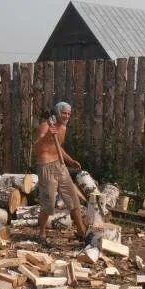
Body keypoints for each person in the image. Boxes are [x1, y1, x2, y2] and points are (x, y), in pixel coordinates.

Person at [32, 101, 87, 244]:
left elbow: (58, 147)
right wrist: (46, 136)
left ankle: (81, 232)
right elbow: (36, 150)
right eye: (64, 113)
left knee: (73, 198)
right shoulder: (45, 126)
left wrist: (70, 160)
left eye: (69, 113)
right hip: (46, 166)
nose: (67, 116)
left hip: (60, 165)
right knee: (48, 203)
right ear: (57, 112)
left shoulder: (63, 128)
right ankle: (42, 233)